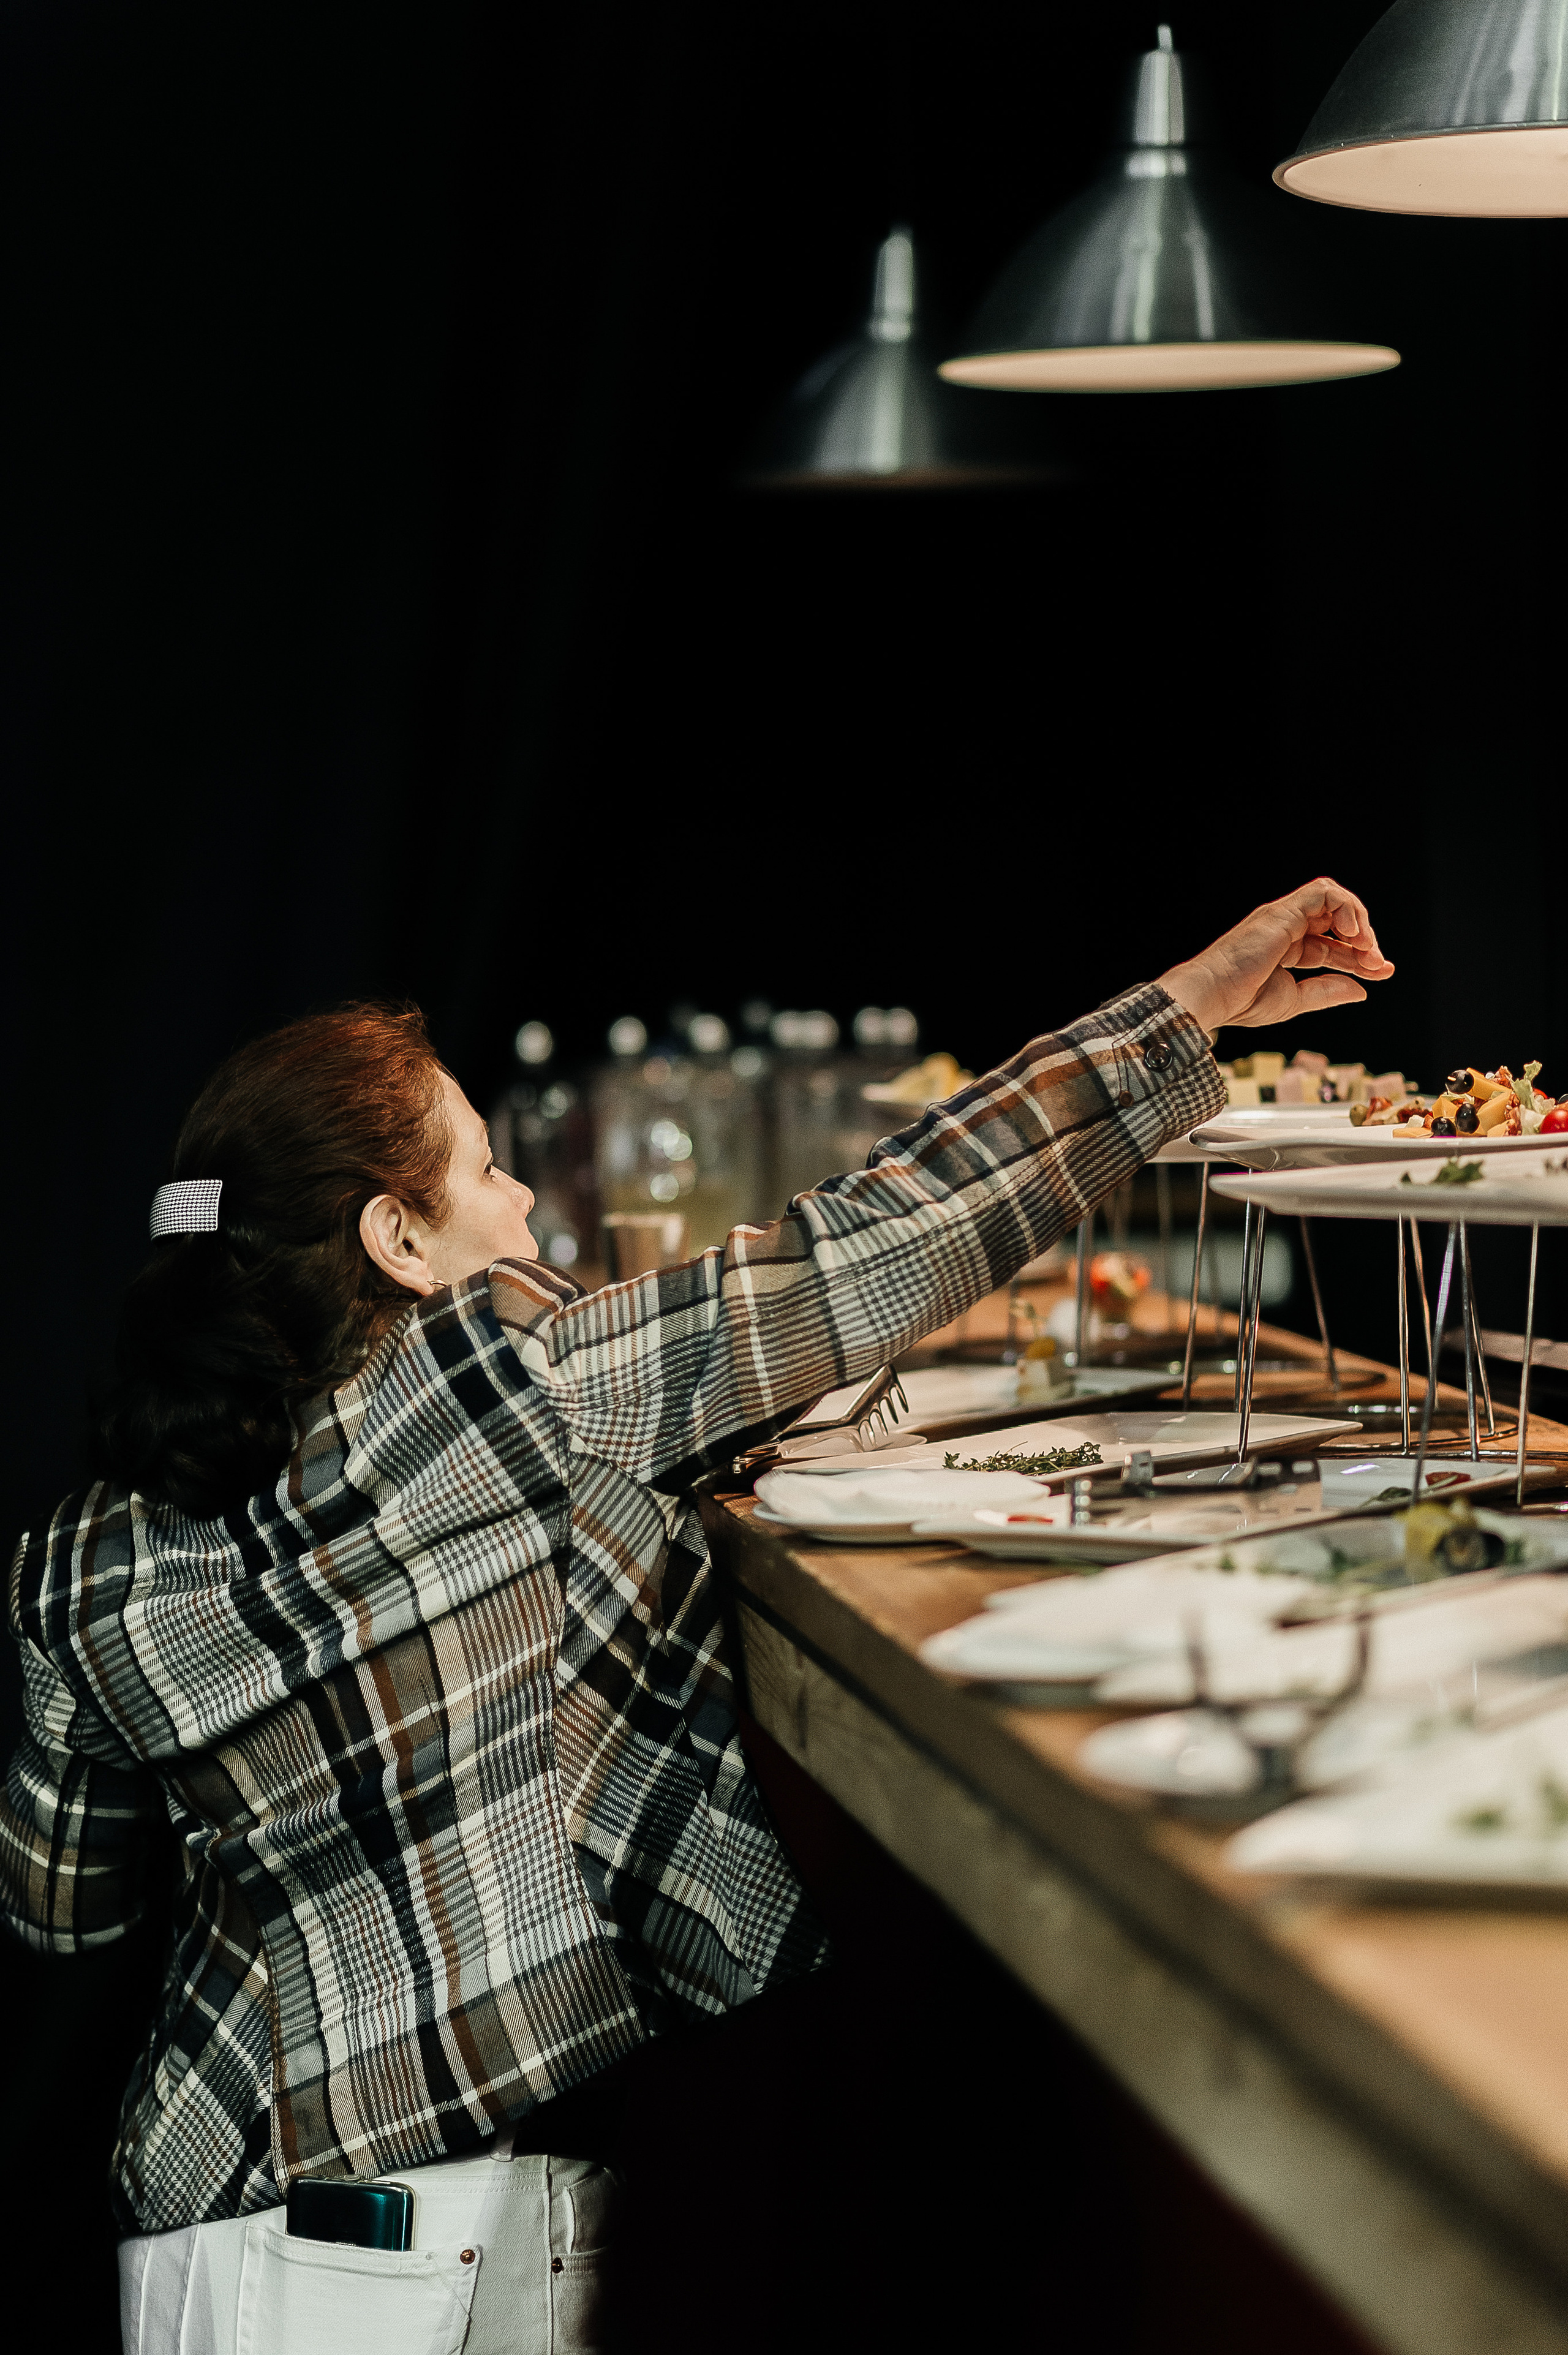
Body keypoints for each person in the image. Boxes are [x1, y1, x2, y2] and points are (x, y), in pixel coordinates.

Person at [1, 880, 1390, 2355]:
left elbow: (64, 1911)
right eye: (483, 1172)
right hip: (417, 2273)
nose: (525, 1201)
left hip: (195, 2250)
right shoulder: (508, 1387)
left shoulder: (71, 1560)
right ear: (400, 1243)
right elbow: (870, 1245)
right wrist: (1185, 1007)